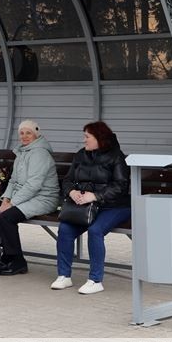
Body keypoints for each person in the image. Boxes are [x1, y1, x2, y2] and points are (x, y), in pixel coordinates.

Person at [51, 121, 130, 294]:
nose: (84, 140)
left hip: (114, 206)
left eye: (87, 136)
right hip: (86, 207)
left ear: (99, 138)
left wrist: (95, 196)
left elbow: (121, 186)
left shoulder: (116, 156)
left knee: (95, 231)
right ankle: (64, 276)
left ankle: (95, 280)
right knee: (65, 230)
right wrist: (72, 192)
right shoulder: (81, 155)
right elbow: (68, 180)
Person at [0, 119, 60, 275]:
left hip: (44, 197)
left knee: (7, 216)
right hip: (26, 196)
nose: (24, 136)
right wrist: (5, 200)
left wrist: (12, 203)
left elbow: (34, 185)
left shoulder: (40, 153)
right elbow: (13, 180)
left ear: (36, 135)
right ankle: (7, 255)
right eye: (21, 133)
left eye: (29, 133)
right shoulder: (21, 152)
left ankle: (18, 261)